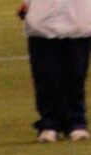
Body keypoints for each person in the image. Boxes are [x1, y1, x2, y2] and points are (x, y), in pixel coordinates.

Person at [18, 0, 91, 143]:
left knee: (75, 75)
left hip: (79, 21)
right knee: (46, 76)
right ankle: (49, 123)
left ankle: (76, 121)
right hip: (42, 23)